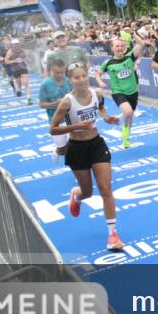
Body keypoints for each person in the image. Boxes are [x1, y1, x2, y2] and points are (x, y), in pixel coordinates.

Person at [49, 62, 124, 251]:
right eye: (76, 77)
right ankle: (77, 195)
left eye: (83, 76)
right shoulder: (67, 102)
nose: (81, 80)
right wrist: (77, 127)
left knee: (105, 188)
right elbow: (53, 129)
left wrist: (106, 118)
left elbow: (101, 107)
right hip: (77, 148)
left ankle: (113, 234)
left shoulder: (96, 93)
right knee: (88, 192)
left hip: (96, 144)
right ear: (70, 80)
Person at [98, 37, 144, 148]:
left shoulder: (130, 57)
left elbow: (141, 44)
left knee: (130, 115)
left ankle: (126, 135)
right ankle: (124, 133)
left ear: (125, 48)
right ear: (112, 48)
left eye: (122, 46)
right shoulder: (108, 63)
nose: (120, 48)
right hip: (118, 92)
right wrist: (100, 82)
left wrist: (135, 35)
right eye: (117, 46)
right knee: (128, 112)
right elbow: (98, 73)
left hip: (132, 92)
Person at [38, 57, 72, 163]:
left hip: (71, 119)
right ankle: (57, 151)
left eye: (62, 72)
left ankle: (76, 167)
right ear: (52, 70)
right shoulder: (45, 85)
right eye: (57, 73)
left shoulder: (69, 81)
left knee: (74, 146)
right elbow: (41, 104)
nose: (60, 75)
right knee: (62, 149)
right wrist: (55, 104)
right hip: (56, 121)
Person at [3, 39, 33, 103]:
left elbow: (25, 57)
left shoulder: (22, 50)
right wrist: (14, 61)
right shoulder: (9, 52)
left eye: (18, 45)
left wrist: (28, 60)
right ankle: (19, 89)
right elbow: (6, 61)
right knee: (18, 82)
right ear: (12, 45)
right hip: (15, 69)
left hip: (23, 67)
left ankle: (29, 98)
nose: (17, 46)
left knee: (26, 83)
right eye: (15, 45)